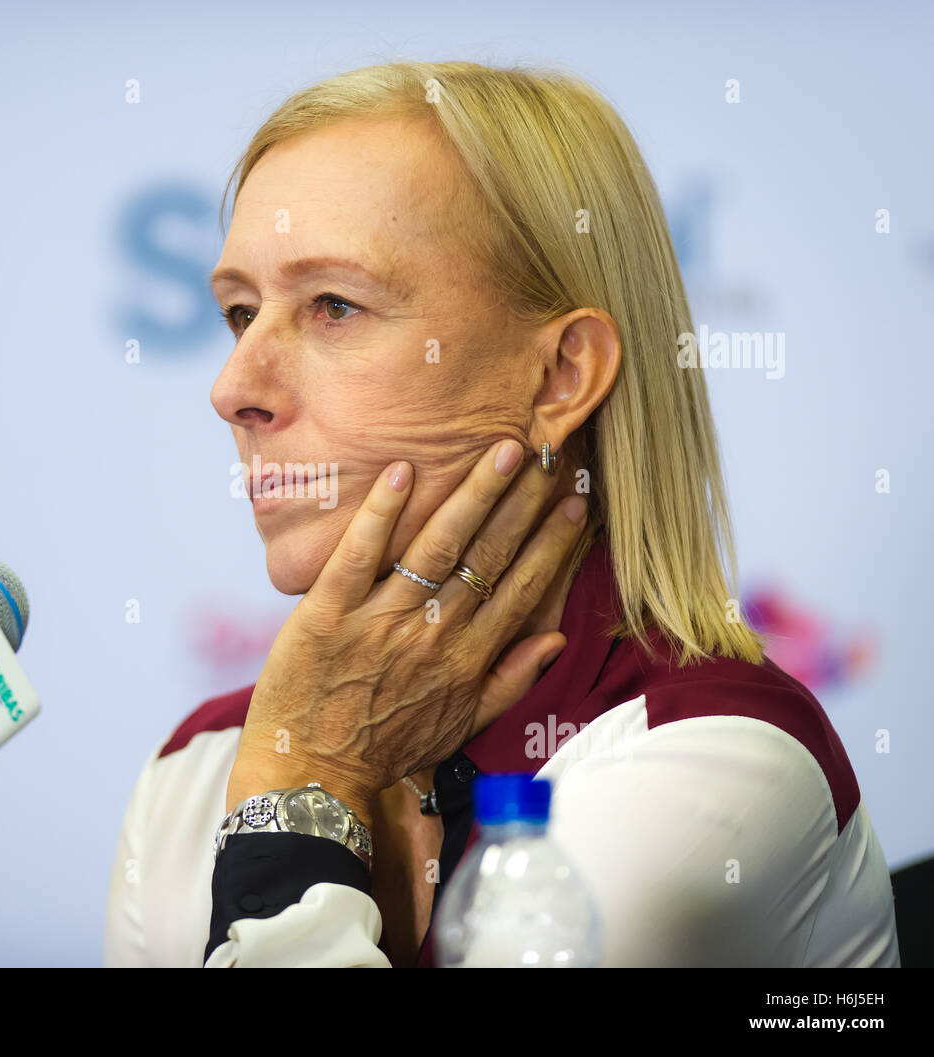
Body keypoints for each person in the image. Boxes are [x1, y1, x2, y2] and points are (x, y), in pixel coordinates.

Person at [103, 60, 899, 967]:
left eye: (333, 305)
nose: (233, 387)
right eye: (240, 313)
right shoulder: (193, 767)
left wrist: (305, 777)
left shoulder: (717, 755)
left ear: (562, 374)